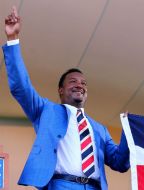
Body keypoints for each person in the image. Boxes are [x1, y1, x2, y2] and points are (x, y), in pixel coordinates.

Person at [3, 6, 129, 190]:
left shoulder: (100, 130)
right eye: (73, 81)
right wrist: (13, 40)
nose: (80, 85)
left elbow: (120, 163)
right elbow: (21, 87)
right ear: (60, 90)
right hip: (61, 185)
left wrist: (127, 132)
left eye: (84, 83)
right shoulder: (46, 110)